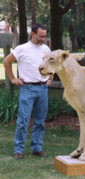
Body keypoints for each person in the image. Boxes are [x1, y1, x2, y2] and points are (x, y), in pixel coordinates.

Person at [3, 24, 52, 159]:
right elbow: (6, 62)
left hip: (43, 88)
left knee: (40, 121)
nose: (43, 39)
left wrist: (50, 77)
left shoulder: (46, 49)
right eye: (40, 36)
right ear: (33, 34)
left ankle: (37, 148)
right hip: (27, 88)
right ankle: (18, 150)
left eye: (45, 36)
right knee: (23, 121)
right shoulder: (22, 49)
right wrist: (13, 79)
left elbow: (50, 65)